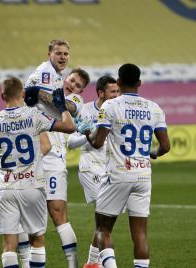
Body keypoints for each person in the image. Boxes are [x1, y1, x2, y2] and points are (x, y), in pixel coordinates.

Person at [80, 63, 170, 268]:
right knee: (140, 235)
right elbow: (165, 146)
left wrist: (86, 132)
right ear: (139, 83)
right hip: (143, 176)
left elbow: (97, 142)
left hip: (118, 174)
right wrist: (152, 154)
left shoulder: (110, 106)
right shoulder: (154, 108)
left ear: (119, 83)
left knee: (103, 229)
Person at [0, 77, 76, 268]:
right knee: (37, 240)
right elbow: (69, 126)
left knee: (9, 245)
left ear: (3, 96)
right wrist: (62, 108)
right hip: (32, 186)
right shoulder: (34, 116)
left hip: (6, 188)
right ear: (23, 94)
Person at [24, 39, 90, 268]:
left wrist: (45, 96)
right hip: (37, 154)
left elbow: (69, 109)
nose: (73, 85)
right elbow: (36, 95)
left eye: (78, 85)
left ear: (81, 91)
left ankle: (72, 264)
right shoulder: (48, 76)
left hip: (54, 161)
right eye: (72, 80)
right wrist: (40, 94)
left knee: (58, 214)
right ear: (50, 54)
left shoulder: (75, 100)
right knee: (30, 217)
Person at [67, 76, 120, 268]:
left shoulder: (116, 110)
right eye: (113, 92)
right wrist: (89, 133)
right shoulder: (85, 110)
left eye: (118, 92)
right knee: (106, 215)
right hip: (90, 168)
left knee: (105, 221)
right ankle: (97, 263)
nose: (117, 95)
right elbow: (70, 142)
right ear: (100, 93)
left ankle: (91, 263)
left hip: (110, 168)